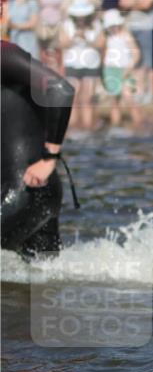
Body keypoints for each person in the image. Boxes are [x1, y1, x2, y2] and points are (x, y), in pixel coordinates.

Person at [1, 36, 76, 256]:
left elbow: (60, 89)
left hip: (26, 188)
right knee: (36, 283)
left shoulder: (3, 53)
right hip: (30, 192)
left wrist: (49, 158)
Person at [61, 0, 104, 131]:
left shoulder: (96, 25)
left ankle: (87, 127)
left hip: (91, 65)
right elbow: (62, 43)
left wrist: (86, 38)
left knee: (88, 98)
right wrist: (75, 36)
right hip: (72, 64)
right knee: (73, 98)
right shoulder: (67, 25)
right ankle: (72, 128)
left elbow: (101, 44)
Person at [102, 9, 143, 127]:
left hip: (125, 69)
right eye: (111, 26)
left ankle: (138, 125)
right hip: (110, 70)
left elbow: (136, 54)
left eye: (115, 25)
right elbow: (104, 54)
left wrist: (129, 69)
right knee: (114, 101)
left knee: (129, 99)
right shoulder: (107, 37)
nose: (113, 28)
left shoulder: (126, 35)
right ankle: (115, 125)